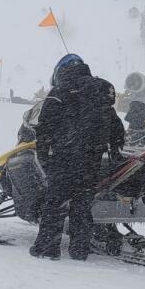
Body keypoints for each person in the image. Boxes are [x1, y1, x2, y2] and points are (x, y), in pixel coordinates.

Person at [31, 60, 123, 261]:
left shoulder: (60, 91)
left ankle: (47, 248)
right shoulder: (99, 91)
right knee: (82, 205)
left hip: (65, 157)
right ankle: (79, 249)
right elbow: (116, 126)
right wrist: (115, 150)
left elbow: (44, 125)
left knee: (55, 203)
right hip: (92, 160)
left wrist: (43, 153)